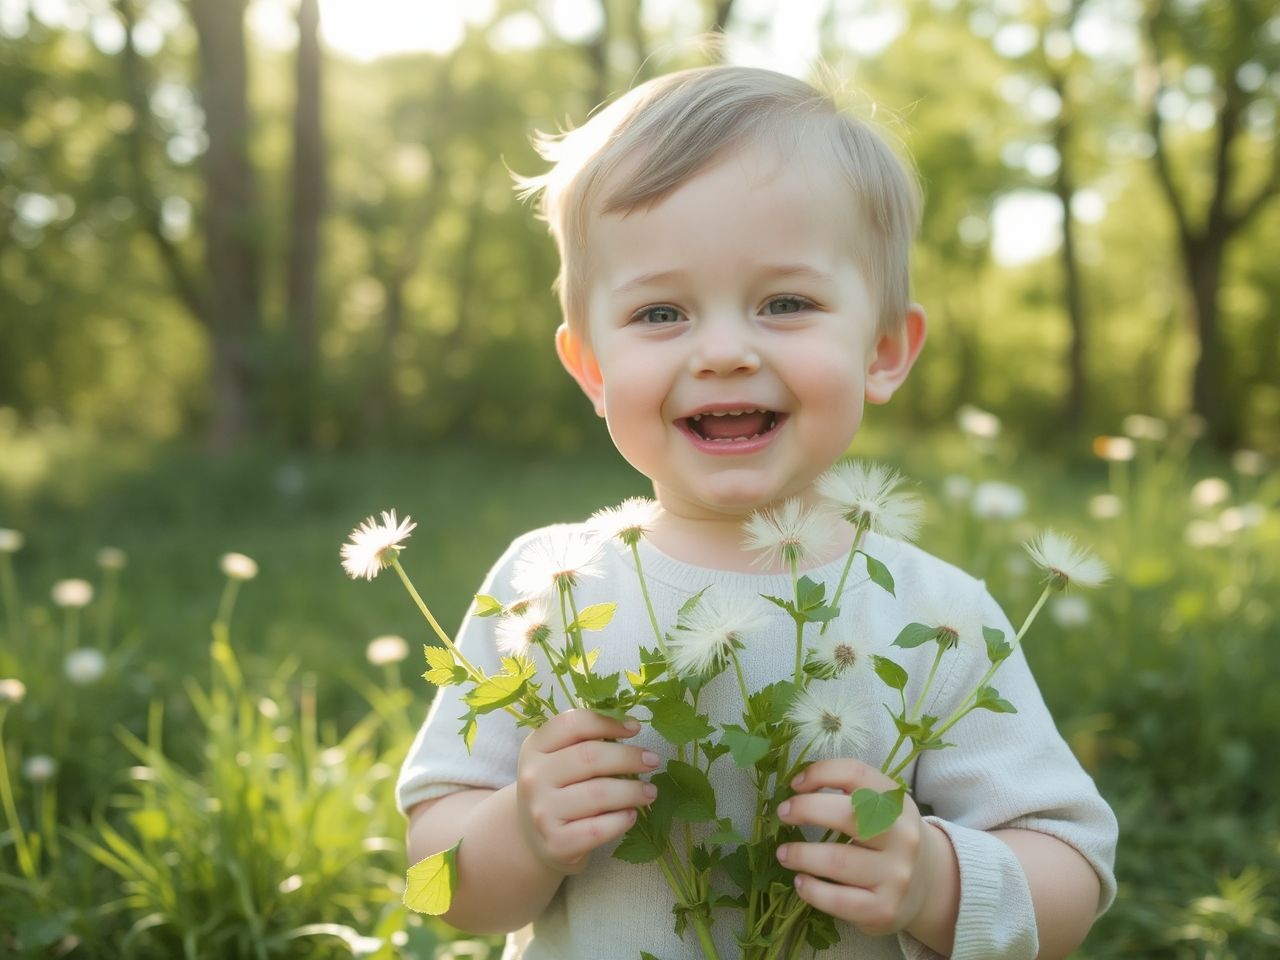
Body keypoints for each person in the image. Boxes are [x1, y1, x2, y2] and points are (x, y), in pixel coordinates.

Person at [396, 64, 1117, 960]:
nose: (726, 351)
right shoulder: (548, 593)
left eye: (786, 303)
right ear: (591, 368)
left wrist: (932, 879)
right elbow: (441, 867)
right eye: (661, 312)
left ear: (884, 349)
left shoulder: (937, 619)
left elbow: (1070, 872)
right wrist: (521, 830)